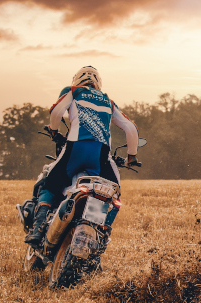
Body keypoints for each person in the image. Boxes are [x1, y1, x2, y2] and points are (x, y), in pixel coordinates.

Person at [25, 66, 140, 246]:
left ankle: (38, 228)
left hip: (74, 150)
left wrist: (54, 131)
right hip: (101, 156)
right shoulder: (108, 101)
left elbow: (56, 111)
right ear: (98, 83)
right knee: (111, 193)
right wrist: (131, 156)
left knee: (50, 184)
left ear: (77, 79)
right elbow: (131, 128)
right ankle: (99, 238)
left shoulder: (73, 91)